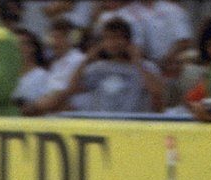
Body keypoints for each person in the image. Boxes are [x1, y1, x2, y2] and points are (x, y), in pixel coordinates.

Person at [34, 16, 164, 116]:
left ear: (128, 41)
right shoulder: (97, 68)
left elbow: (158, 95)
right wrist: (86, 60)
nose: (112, 43)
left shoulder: (147, 68)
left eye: (117, 38)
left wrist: (137, 61)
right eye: (107, 38)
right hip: (101, 124)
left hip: (132, 126)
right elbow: (71, 89)